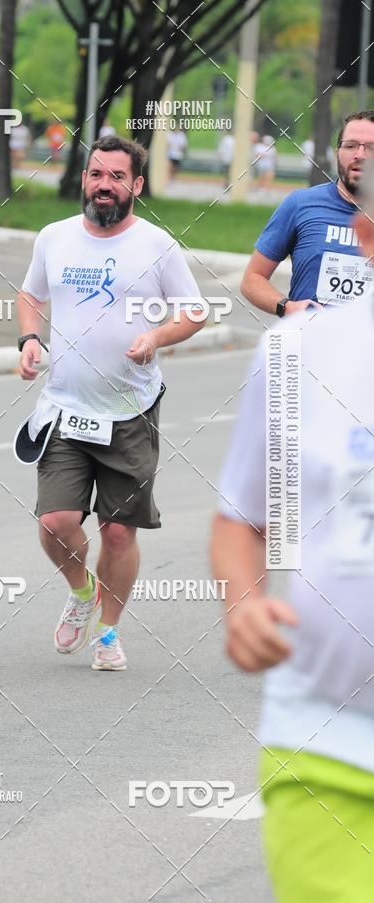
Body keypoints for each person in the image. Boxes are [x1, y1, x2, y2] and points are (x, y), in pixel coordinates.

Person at [210, 160, 374, 903]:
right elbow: (241, 515)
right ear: (366, 237)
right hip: (330, 746)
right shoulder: (299, 353)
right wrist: (244, 605)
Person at [15, 135, 204, 670]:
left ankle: (107, 633)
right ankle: (82, 592)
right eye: (97, 174)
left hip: (130, 411)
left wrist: (156, 338)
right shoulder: (54, 238)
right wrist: (30, 340)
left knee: (119, 530)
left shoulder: (156, 245)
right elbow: (31, 296)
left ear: (137, 186)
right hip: (66, 408)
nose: (104, 185)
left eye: (117, 177)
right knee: (55, 521)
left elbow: (193, 311)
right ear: (84, 179)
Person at [241, 110, 374, 318]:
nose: (360, 155)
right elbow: (252, 278)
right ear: (337, 151)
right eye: (350, 146)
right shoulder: (301, 204)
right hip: (309, 345)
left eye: (371, 147)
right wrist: (287, 306)